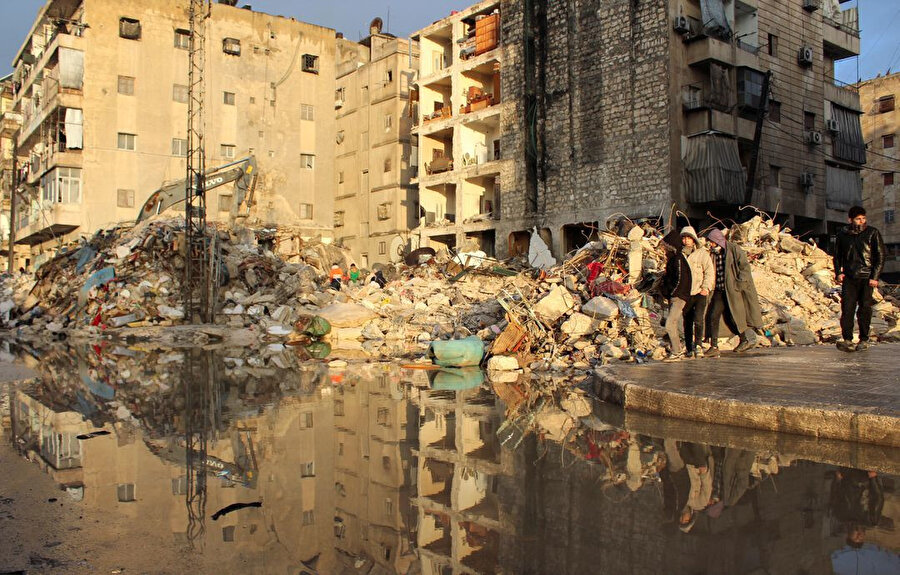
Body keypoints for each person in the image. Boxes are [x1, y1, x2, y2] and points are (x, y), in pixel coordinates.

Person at [833, 206, 885, 352]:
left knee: (865, 309)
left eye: (863, 218)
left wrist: (875, 277)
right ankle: (847, 339)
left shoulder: (872, 233)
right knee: (847, 308)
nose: (861, 221)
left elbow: (880, 256)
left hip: (867, 277)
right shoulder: (843, 235)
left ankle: (864, 339)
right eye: (858, 219)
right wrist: (838, 273)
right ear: (850, 220)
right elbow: (837, 256)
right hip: (849, 277)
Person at [705, 228, 763, 354]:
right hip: (719, 290)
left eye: (712, 241)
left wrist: (739, 283)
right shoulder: (713, 254)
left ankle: (746, 339)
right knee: (713, 316)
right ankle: (714, 347)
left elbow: (744, 267)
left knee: (734, 317)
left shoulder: (733, 249)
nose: (710, 244)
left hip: (733, 290)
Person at [679, 226, 714, 358]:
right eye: (684, 238)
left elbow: (709, 271)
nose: (686, 241)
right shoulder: (680, 254)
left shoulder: (702, 254)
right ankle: (689, 347)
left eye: (688, 238)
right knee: (687, 321)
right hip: (686, 293)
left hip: (699, 292)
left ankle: (698, 344)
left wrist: (706, 287)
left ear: (693, 239)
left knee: (698, 319)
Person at [661, 228, 692, 361]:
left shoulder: (678, 259)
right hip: (674, 296)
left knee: (669, 324)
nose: (663, 249)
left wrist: (673, 292)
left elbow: (681, 279)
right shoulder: (673, 259)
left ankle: (676, 351)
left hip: (679, 297)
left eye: (665, 246)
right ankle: (678, 349)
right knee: (673, 324)